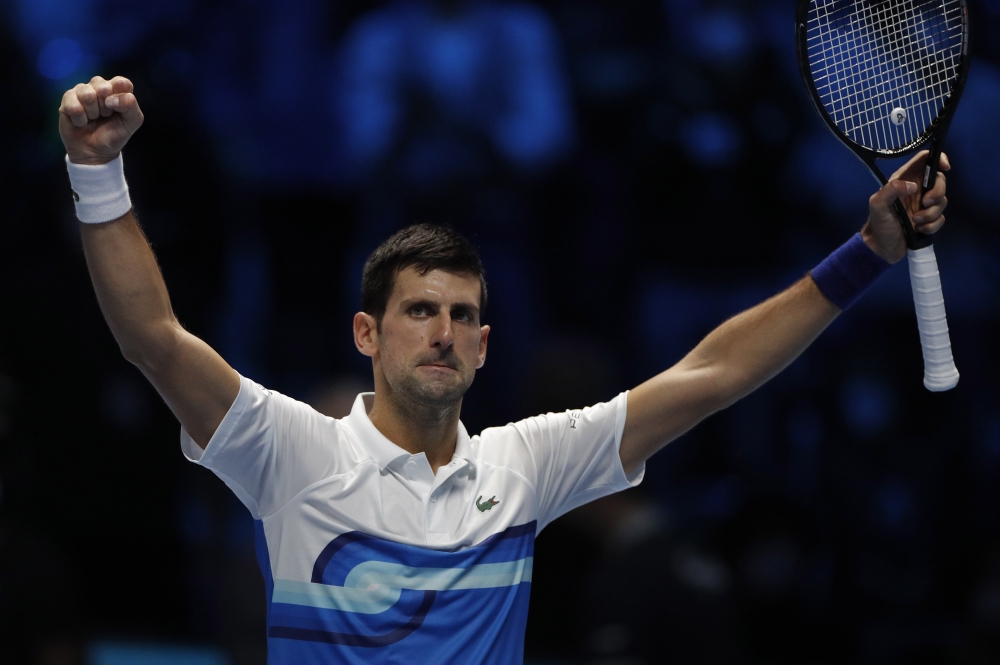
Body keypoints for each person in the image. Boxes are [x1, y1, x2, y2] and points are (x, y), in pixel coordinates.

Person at [58, 76, 950, 664]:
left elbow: (712, 373)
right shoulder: (292, 451)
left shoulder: (524, 465)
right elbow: (154, 339)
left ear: (485, 346)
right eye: (419, 311)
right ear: (367, 333)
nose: (443, 332)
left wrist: (867, 252)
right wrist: (98, 172)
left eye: (462, 316)